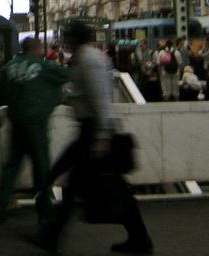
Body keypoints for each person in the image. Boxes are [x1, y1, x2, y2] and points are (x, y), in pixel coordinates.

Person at [35, 22, 153, 254]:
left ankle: (52, 236)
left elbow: (101, 99)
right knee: (99, 187)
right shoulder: (84, 57)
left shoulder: (89, 60)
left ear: (73, 38)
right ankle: (139, 238)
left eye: (67, 36)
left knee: (88, 185)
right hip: (91, 130)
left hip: (95, 131)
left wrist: (101, 137)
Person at [0, 37, 70, 226]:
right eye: (41, 48)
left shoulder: (10, 67)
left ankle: (1, 204)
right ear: (36, 49)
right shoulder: (41, 66)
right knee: (41, 166)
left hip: (16, 121)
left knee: (12, 164)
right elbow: (65, 75)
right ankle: (45, 212)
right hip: (36, 123)